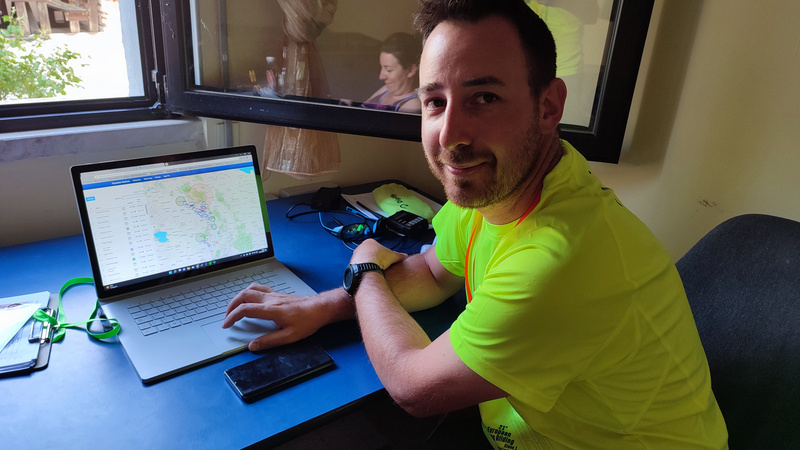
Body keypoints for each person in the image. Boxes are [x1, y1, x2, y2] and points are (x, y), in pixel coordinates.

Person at [223, 0, 729, 448]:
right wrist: (323, 306)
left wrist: (364, 267)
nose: (450, 136)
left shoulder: (563, 257)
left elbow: (413, 386)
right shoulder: (505, 186)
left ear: (548, 106)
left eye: (484, 97)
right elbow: (433, 272)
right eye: (434, 102)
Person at [362, 32, 423, 113]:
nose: (381, 77)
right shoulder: (386, 89)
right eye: (381, 67)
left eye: (389, 70)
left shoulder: (413, 105)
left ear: (411, 70)